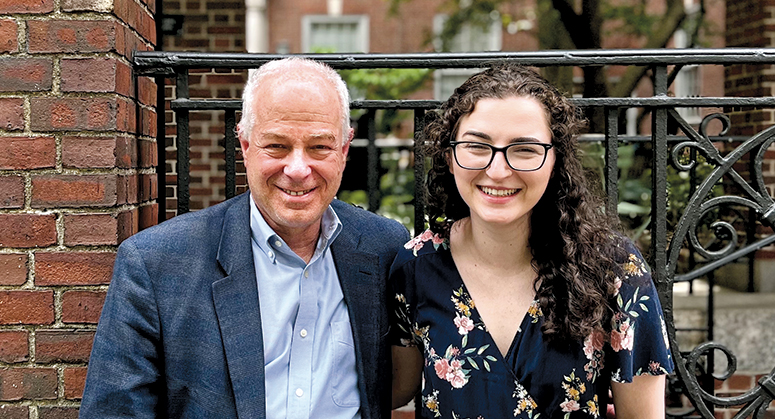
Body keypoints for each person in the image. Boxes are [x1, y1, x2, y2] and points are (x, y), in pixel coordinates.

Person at [80, 57, 410, 419]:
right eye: (277, 146)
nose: (298, 170)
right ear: (246, 145)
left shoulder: (385, 248)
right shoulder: (157, 264)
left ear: (344, 150)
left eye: (319, 147)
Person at [389, 64, 674, 418]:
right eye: (476, 146)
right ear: (449, 157)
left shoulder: (614, 269)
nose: (497, 171)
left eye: (524, 149)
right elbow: (392, 390)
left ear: (555, 160)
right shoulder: (417, 264)